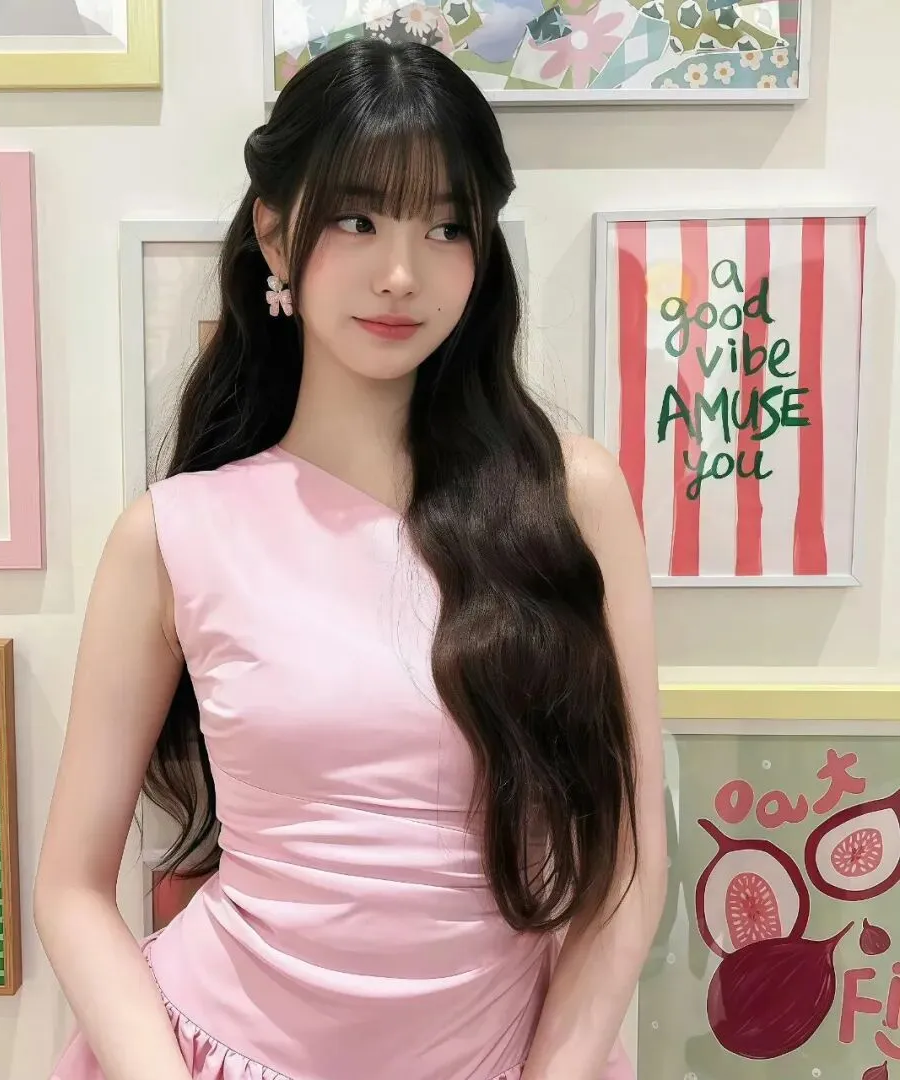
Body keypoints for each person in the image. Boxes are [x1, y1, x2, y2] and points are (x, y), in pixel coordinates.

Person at [36, 37, 667, 1080]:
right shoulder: (172, 535)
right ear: (275, 235)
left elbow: (627, 872)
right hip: (216, 1053)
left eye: (447, 226)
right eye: (358, 220)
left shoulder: (572, 500)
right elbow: (70, 887)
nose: (402, 273)